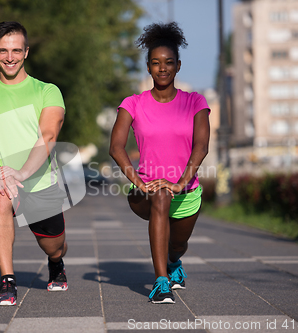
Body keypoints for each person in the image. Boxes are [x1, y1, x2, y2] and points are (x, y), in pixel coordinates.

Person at [0, 21, 68, 306]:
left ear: (26, 52)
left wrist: (21, 172)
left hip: (39, 181)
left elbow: (47, 136)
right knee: (0, 197)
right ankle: (7, 281)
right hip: (0, 177)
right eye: (3, 51)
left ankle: (56, 263)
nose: (9, 57)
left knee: (54, 244)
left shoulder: (48, 91)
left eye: (15, 50)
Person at [109, 22, 210, 304]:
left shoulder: (195, 102)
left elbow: (201, 147)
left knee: (177, 245)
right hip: (145, 191)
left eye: (168, 63)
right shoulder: (133, 103)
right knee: (161, 195)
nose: (162, 68)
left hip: (186, 191)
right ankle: (161, 282)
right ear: (148, 67)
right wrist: (139, 182)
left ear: (178, 66)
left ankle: (174, 261)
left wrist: (180, 183)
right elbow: (115, 147)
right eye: (155, 63)